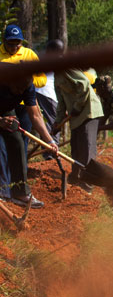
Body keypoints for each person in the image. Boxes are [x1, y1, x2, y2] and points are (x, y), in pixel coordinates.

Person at [0, 24, 47, 198]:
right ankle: (3, 189)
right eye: (10, 44)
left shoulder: (29, 55)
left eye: (17, 43)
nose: (14, 47)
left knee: (20, 143)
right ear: (4, 42)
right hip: (4, 104)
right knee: (2, 148)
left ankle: (18, 187)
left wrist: (26, 85)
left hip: (23, 105)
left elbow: (42, 79)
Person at [0, 69, 58, 208]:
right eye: (18, 88)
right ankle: (2, 192)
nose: (20, 92)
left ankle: (20, 193)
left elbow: (35, 116)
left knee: (18, 142)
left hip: (5, 110)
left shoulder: (27, 86)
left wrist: (49, 140)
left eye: (23, 89)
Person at [52, 40, 103, 194]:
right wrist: (57, 123)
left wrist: (76, 108)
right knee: (76, 147)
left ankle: (88, 184)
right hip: (76, 115)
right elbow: (61, 103)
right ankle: (75, 179)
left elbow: (85, 86)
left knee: (86, 147)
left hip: (88, 111)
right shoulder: (56, 75)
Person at [36, 40, 62, 160]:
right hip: (47, 94)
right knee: (53, 124)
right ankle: (52, 154)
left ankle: (48, 152)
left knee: (45, 123)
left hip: (37, 92)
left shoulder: (40, 57)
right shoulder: (53, 60)